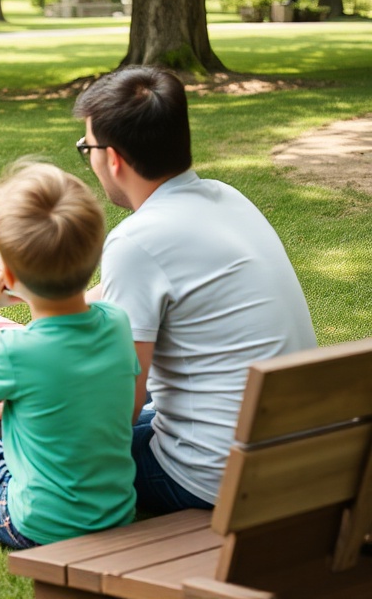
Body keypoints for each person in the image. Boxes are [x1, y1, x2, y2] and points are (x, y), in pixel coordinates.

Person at [73, 65, 317, 514]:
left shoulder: (136, 241)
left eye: (85, 147)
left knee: (37, 442)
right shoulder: (227, 198)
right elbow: (132, 297)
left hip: (209, 479)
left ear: (112, 158)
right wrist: (51, 301)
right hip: (295, 456)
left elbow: (119, 410)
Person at [0, 162, 138, 548]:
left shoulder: (15, 349)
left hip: (33, 522)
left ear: (7, 273)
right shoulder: (118, 323)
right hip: (115, 513)